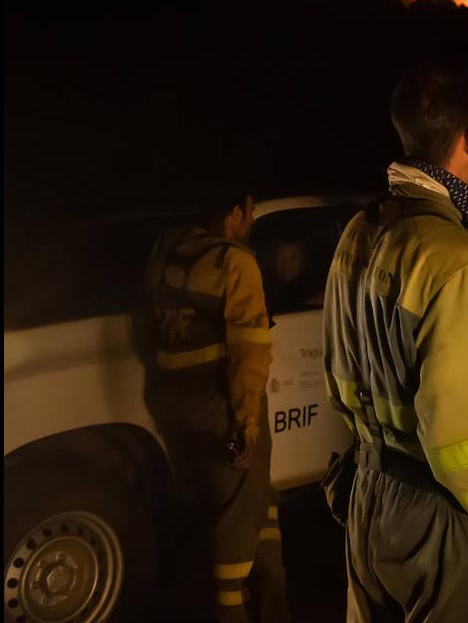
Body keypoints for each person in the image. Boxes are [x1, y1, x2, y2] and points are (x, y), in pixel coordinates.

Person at [322, 62, 468, 622]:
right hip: (436, 512)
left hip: (367, 497)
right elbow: (460, 447)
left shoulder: (361, 230)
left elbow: (337, 376)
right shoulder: (455, 259)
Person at [146, 189, 288, 623]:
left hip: (173, 400)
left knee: (257, 504)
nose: (250, 224)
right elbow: (249, 351)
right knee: (234, 518)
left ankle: (275, 606)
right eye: (250, 214)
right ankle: (233, 611)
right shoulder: (234, 262)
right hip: (219, 405)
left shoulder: (169, 249)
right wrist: (245, 423)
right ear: (236, 211)